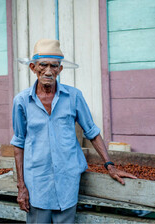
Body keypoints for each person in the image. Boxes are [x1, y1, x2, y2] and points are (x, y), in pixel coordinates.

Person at [10, 39, 136, 224]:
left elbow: (92, 132)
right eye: (43, 65)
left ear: (60, 70)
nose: (48, 71)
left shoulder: (74, 96)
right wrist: (21, 186)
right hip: (38, 181)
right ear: (33, 67)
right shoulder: (21, 101)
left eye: (54, 66)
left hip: (67, 179)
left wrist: (110, 165)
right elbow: (19, 143)